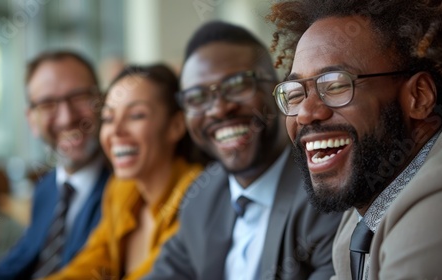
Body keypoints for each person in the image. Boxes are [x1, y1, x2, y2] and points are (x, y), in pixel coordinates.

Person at [268, 1, 442, 279]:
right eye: (295, 94)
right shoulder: (364, 214)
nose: (306, 113)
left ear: (419, 96)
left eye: (335, 85)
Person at [145, 21, 342, 280]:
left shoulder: (326, 192)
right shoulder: (201, 197)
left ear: (277, 86)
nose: (218, 109)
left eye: (238, 85)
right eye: (198, 97)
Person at [44, 64, 205, 280]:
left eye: (136, 115)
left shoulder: (199, 195)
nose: (116, 131)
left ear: (176, 126)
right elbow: (91, 263)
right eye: (108, 118)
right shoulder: (120, 189)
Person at [0, 51, 110, 279]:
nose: (66, 117)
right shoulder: (47, 188)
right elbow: (19, 260)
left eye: (79, 96)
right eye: (48, 103)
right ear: (31, 119)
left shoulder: (127, 188)